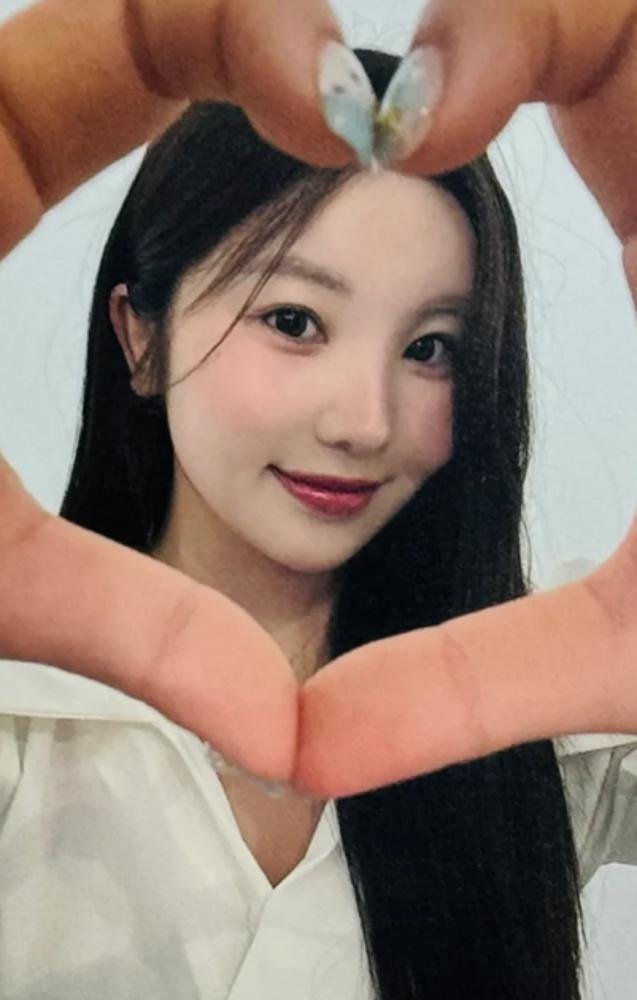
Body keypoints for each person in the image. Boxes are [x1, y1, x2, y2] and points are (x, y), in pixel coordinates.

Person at [0, 1, 636, 997]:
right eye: (295, 321)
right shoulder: (21, 716)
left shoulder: (559, 725)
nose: (366, 422)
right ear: (140, 335)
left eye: (430, 348)